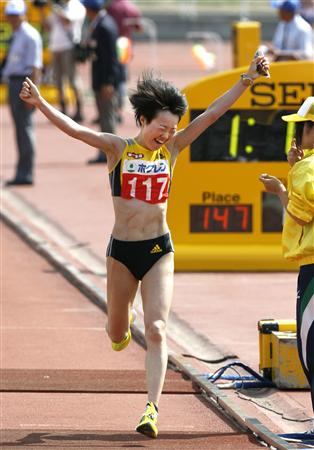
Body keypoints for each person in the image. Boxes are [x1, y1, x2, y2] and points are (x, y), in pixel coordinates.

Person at [19, 53, 269, 438]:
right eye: (161, 127)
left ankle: (151, 408)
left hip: (158, 250)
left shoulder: (172, 150)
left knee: (156, 329)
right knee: (117, 332)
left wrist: (247, 78)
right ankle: (121, 325)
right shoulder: (117, 149)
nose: (166, 135)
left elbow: (214, 114)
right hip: (121, 253)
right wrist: (40, 103)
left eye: (171, 129)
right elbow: (73, 129)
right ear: (143, 120)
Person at [259, 97, 314, 428]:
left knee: (311, 350)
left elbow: (302, 212)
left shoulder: (307, 170)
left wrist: (281, 188)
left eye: (302, 127)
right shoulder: (305, 166)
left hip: (313, 268)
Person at [2, 0, 43, 186]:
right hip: (14, 82)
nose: (12, 19)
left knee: (24, 128)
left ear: (23, 14)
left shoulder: (30, 35)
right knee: (19, 129)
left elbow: (35, 66)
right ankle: (21, 170)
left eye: (15, 15)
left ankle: (26, 172)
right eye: (10, 15)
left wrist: (33, 94)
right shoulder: (17, 34)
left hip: (24, 82)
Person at [82, 0, 120, 165]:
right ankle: (106, 150)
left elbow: (111, 58)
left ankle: (111, 152)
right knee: (103, 116)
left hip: (105, 80)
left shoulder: (104, 26)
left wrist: (109, 82)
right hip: (101, 78)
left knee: (107, 117)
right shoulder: (101, 23)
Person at [40, 0, 86, 121]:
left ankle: (79, 110)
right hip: (55, 48)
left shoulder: (76, 6)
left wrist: (53, 7)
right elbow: (48, 27)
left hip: (68, 48)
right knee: (58, 81)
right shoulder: (58, 7)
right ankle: (63, 109)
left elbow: (67, 21)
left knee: (73, 80)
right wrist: (41, 11)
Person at [106, 0, 143, 123]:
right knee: (121, 77)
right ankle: (119, 108)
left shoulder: (112, 7)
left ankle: (115, 109)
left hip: (113, 42)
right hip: (125, 43)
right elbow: (139, 28)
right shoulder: (132, 7)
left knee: (114, 76)